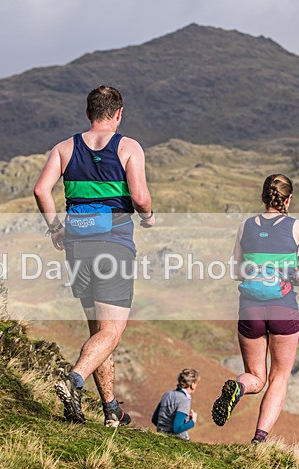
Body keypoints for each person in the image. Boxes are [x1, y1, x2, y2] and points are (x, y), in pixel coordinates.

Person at [33, 85, 155, 427]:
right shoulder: (129, 147)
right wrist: (147, 216)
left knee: (98, 332)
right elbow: (141, 196)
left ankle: (110, 409)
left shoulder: (64, 148)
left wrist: (55, 227)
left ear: (88, 113)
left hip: (77, 244)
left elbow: (41, 189)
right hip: (113, 243)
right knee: (112, 333)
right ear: (118, 114)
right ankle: (72, 381)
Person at [211, 174, 299, 443]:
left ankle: (239, 386)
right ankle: (259, 439)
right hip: (283, 308)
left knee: (256, 378)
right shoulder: (298, 227)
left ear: (264, 196)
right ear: (288, 199)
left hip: (250, 309)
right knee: (279, 377)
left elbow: (236, 272)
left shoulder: (245, 226)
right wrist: (294, 271)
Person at [152, 369, 200, 440]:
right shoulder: (184, 400)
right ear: (192, 384)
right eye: (196, 383)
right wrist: (192, 421)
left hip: (161, 437)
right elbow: (177, 429)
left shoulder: (167, 395)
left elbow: (155, 419)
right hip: (178, 441)